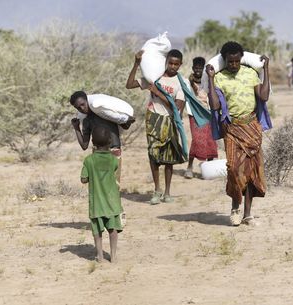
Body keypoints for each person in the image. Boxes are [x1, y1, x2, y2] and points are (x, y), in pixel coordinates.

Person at [126, 49, 206, 204]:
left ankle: (167, 192)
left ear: (181, 64)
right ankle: (157, 190)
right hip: (153, 118)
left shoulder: (181, 83)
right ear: (166, 62)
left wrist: (158, 92)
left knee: (169, 159)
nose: (173, 66)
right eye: (170, 63)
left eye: (176, 64)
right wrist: (136, 63)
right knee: (153, 155)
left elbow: (177, 107)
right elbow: (129, 84)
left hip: (169, 121)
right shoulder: (154, 76)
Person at [206, 41, 270, 226]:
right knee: (234, 169)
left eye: (236, 61)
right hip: (232, 129)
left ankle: (247, 214)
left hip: (252, 127)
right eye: (230, 61)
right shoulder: (220, 78)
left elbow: (264, 96)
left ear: (241, 59)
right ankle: (235, 206)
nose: (233, 65)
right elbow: (215, 105)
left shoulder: (250, 74)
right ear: (225, 60)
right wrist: (210, 79)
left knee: (251, 171)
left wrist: (266, 70)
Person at [70, 91, 133, 224]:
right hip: (97, 154)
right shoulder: (86, 121)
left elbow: (125, 124)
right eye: (78, 107)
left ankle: (117, 214)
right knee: (100, 186)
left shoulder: (103, 111)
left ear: (87, 100)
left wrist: (127, 119)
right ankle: (107, 216)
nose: (82, 108)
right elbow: (84, 145)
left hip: (114, 151)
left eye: (82, 104)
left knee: (114, 185)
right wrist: (76, 128)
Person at [80, 126, 123, 263]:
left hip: (97, 204)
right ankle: (114, 256)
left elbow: (83, 179)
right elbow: (114, 170)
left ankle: (99, 255)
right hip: (112, 202)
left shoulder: (89, 160)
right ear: (110, 141)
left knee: (97, 232)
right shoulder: (113, 160)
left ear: (93, 142)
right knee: (113, 229)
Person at [184, 56, 218, 179]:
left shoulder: (207, 80)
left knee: (210, 139)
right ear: (193, 68)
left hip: (208, 113)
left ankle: (209, 169)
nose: (198, 70)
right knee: (197, 139)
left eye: (200, 68)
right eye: (196, 68)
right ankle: (189, 167)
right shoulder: (188, 82)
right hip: (195, 114)